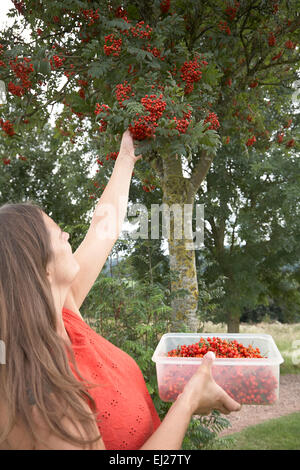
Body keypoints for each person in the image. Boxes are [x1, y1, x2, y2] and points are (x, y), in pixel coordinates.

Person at [0, 130, 241, 450]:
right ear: (40, 267)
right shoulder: (45, 401)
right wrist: (189, 402)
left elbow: (105, 226)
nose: (68, 235)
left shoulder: (64, 311)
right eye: (56, 233)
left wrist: (127, 156)